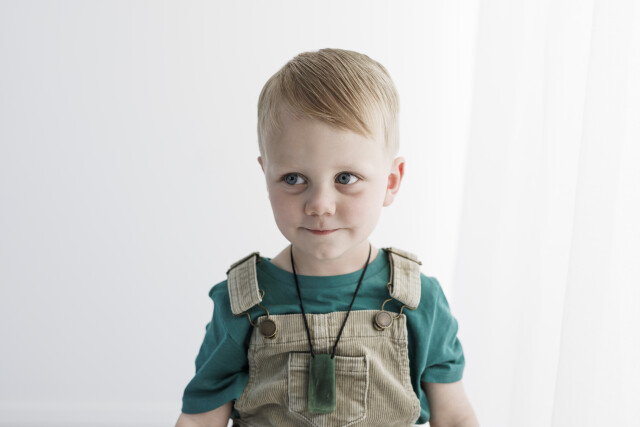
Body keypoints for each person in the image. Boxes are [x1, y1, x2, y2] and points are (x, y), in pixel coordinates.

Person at [175, 48, 478, 427]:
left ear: (390, 181)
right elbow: (200, 421)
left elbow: (454, 418)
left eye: (345, 178)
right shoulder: (242, 304)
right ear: (266, 176)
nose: (319, 204)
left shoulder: (419, 300)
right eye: (293, 179)